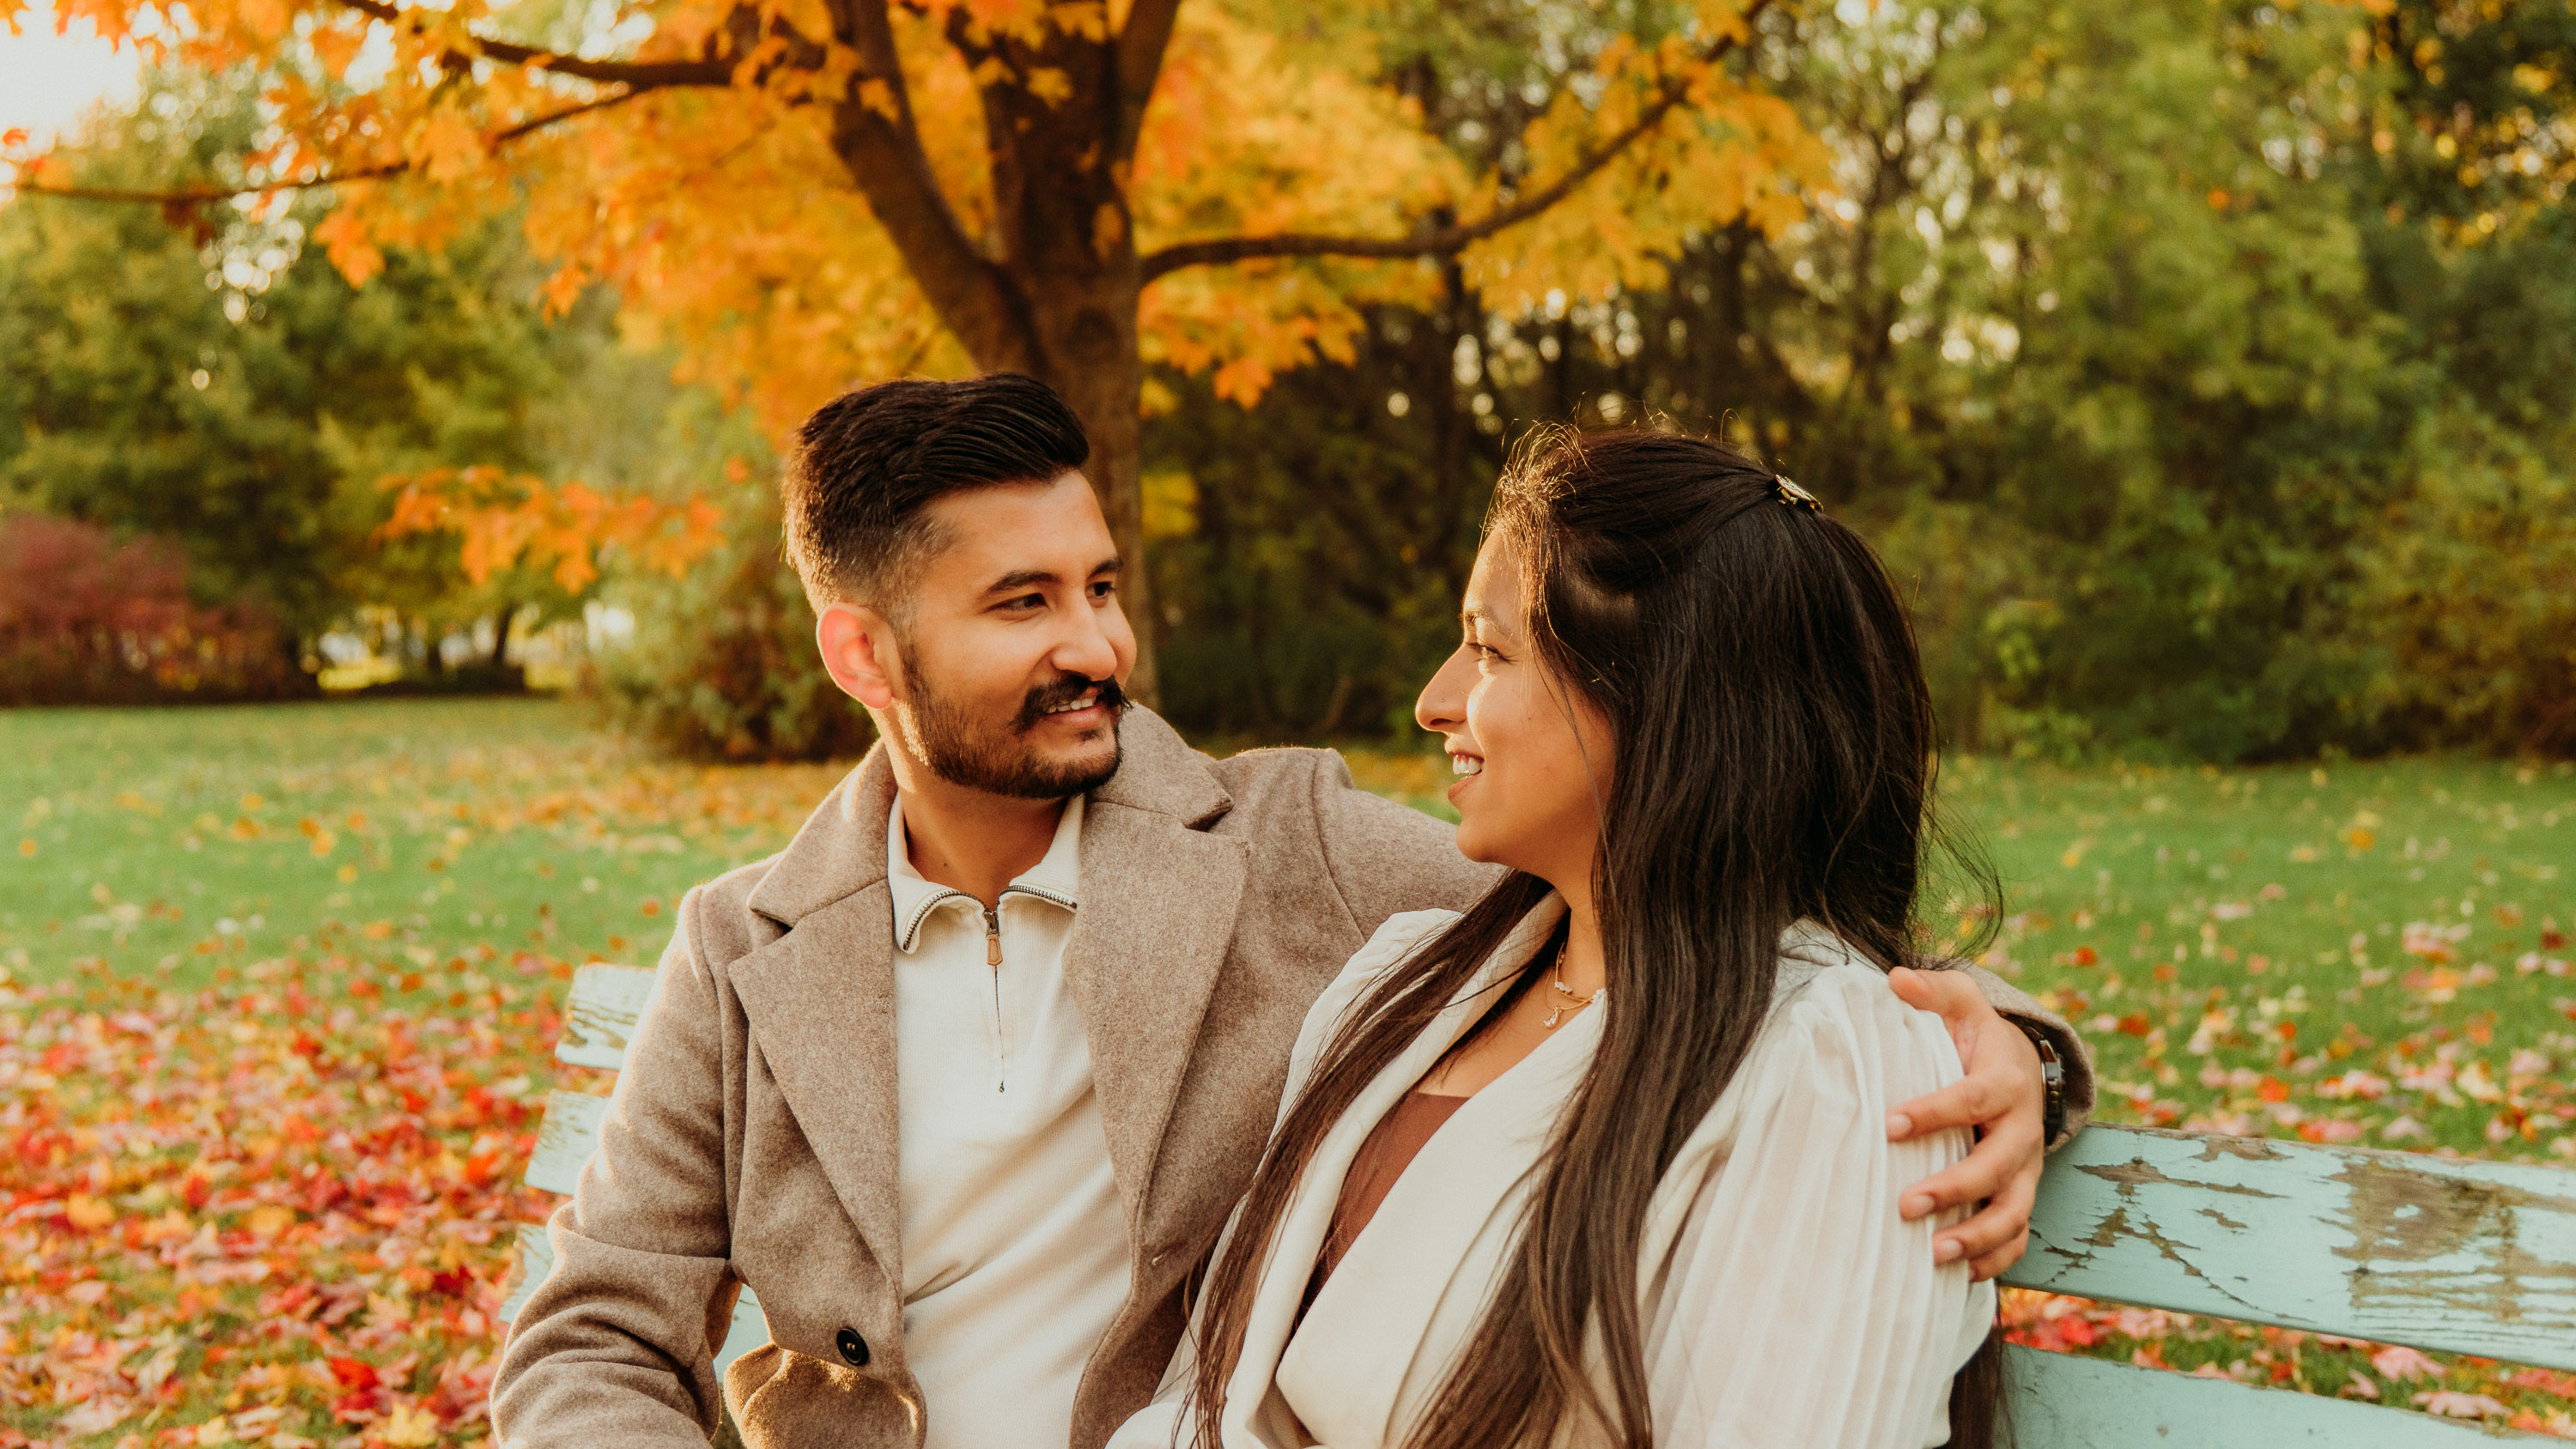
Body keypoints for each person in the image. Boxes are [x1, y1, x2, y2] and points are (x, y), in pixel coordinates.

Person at [489, 376, 2093, 1449]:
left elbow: (1689, 892)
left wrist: (2005, 1045)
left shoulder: (1290, 846)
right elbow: (593, 1327)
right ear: (862, 655)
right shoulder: (746, 946)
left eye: (1101, 585)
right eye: (1023, 602)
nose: (1097, 646)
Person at [1113, 427, 2021, 1449]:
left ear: (1665, 695)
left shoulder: (1834, 1063)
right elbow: (1209, 1398)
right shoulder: (1399, 984)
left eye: (1491, 649)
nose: (1433, 701)